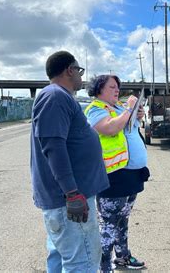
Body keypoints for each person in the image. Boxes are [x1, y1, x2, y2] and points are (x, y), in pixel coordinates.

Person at [30, 51, 109, 272]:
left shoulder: (58, 97)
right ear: (69, 70)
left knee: (61, 257)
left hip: (67, 201)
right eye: (80, 71)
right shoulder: (55, 97)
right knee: (82, 262)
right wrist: (72, 193)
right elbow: (53, 146)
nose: (81, 77)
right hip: (70, 202)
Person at [85, 75, 150, 272]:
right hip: (113, 176)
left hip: (131, 175)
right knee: (108, 226)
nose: (117, 90)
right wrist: (129, 109)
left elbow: (130, 127)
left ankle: (122, 258)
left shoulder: (119, 107)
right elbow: (110, 128)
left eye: (117, 87)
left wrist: (136, 114)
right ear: (99, 90)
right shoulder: (96, 109)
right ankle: (103, 267)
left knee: (122, 221)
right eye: (112, 87)